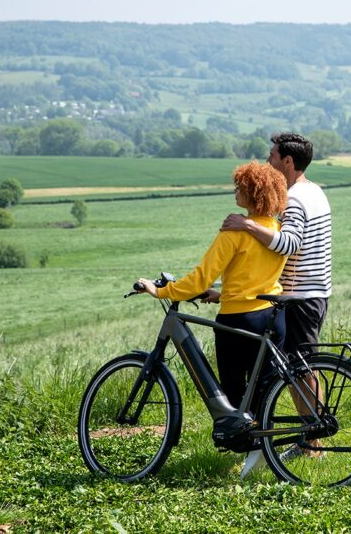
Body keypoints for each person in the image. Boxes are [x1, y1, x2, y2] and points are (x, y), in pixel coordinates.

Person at [136, 161, 288, 477]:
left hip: (239, 320)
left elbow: (201, 277)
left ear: (250, 191)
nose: (234, 190)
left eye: (238, 186)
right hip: (271, 316)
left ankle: (251, 451)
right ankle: (261, 452)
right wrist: (221, 293)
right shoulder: (275, 232)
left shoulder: (235, 232)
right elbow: (254, 276)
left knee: (233, 393)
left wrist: (160, 291)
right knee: (263, 390)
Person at [220, 132, 332, 457]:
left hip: (300, 296)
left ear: (288, 161)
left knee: (302, 367)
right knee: (301, 367)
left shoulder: (295, 198)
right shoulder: (315, 191)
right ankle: (309, 439)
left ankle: (312, 443)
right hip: (314, 292)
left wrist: (247, 226)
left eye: (271, 156)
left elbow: (290, 243)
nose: (267, 162)